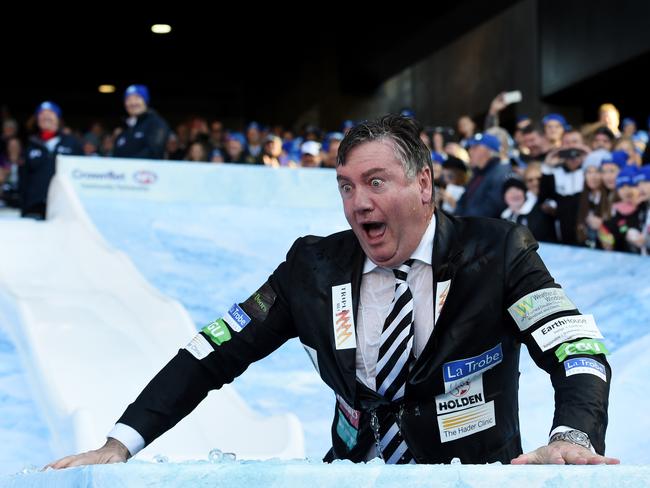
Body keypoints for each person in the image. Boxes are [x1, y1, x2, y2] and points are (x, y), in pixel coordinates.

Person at [48, 115, 617, 469]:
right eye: (346, 187)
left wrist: (574, 434)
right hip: (351, 471)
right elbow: (212, 352)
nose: (358, 204)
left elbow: (576, 348)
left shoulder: (498, 252)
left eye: (375, 182)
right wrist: (120, 442)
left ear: (424, 184)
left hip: (470, 475)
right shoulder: (311, 267)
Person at [20, 101, 82, 219]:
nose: (46, 116)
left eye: (50, 113)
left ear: (58, 118)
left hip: (65, 207)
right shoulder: (30, 145)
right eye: (42, 114)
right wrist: (24, 207)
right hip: (34, 208)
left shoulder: (72, 143)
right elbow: (23, 180)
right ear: (37, 119)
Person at [454, 132, 510, 218]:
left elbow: (490, 209)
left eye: (475, 148)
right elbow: (463, 200)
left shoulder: (500, 173)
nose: (470, 151)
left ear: (490, 151)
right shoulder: (478, 172)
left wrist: (464, 221)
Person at [113, 84, 170, 160]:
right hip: (122, 171)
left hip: (147, 171)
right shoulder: (124, 128)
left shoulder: (156, 123)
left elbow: (154, 152)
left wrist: (128, 165)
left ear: (145, 100)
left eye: (137, 98)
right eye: (128, 99)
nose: (133, 103)